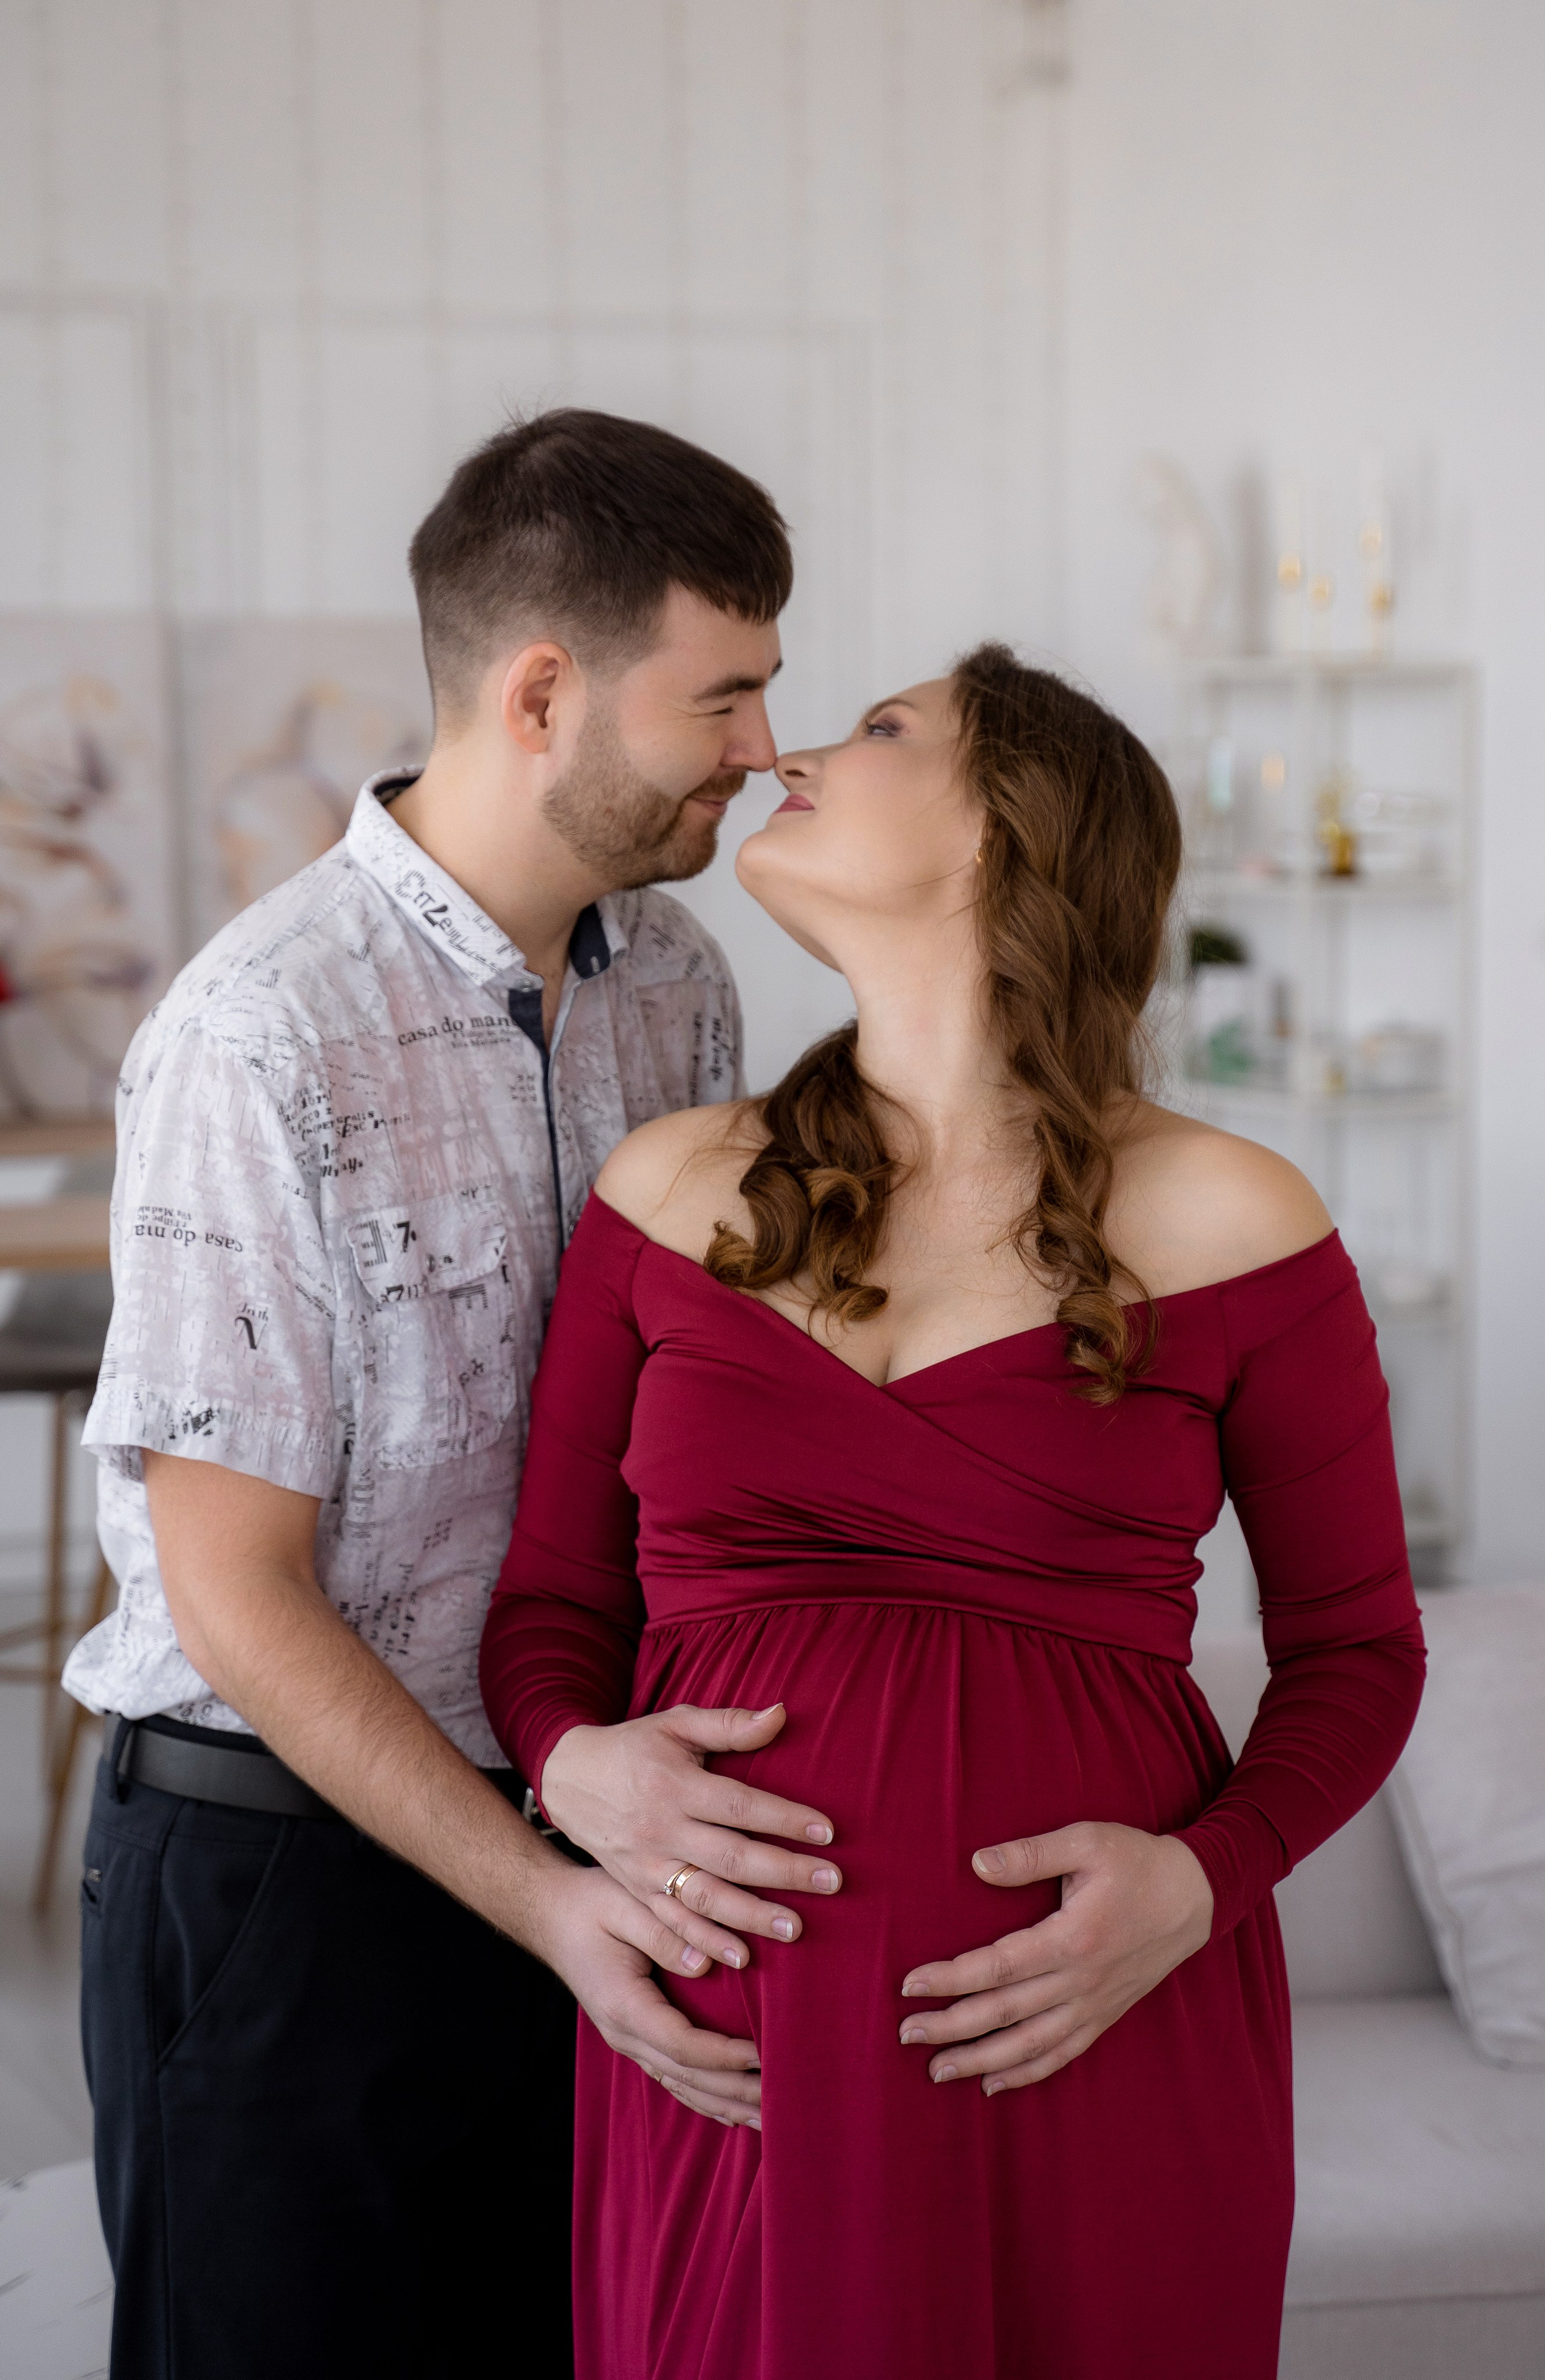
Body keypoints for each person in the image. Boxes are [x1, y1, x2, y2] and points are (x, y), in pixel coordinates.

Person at [479, 644, 1428, 2380]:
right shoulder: (670, 1186)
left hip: (1087, 2025)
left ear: (1013, 830)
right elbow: (553, 1601)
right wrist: (569, 1767)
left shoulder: (1235, 1211)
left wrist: (1204, 1885)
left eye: (883, 726)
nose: (789, 754)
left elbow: (1361, 1650)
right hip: (730, 2032)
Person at [66, 407, 801, 2379]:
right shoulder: (259, 1030)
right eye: (723, 693)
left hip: (583, 1833)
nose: (761, 748)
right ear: (544, 692)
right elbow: (237, 1589)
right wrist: (541, 1899)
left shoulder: (684, 986)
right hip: (290, 1880)